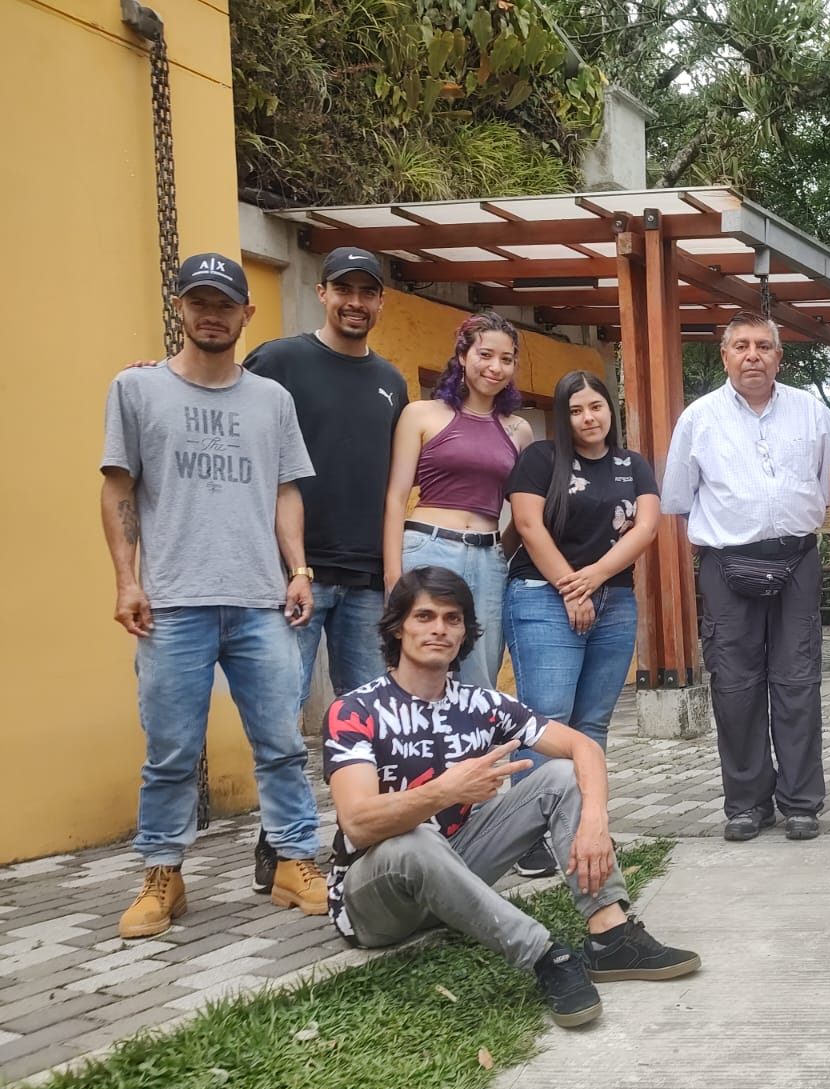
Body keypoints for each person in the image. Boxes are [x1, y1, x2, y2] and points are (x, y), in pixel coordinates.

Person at [323, 567, 701, 1029]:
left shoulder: (481, 705)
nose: (439, 629)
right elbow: (358, 823)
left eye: (452, 618)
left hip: (454, 865)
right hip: (377, 897)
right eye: (424, 616)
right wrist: (447, 790)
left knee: (561, 775)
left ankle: (611, 936)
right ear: (398, 627)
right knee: (413, 842)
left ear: (466, 633)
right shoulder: (356, 710)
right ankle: (545, 956)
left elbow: (582, 747)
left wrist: (596, 821)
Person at [100, 252, 327, 938]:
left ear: (246, 315)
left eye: (225, 304)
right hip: (172, 601)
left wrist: (299, 569)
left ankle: (294, 860)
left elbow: (287, 489)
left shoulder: (272, 400)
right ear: (180, 307)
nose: (211, 314)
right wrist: (127, 580)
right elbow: (118, 488)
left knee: (281, 742)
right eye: (199, 302)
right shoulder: (136, 391)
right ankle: (163, 874)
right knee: (170, 751)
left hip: (260, 599)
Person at [241, 246, 406, 894]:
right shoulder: (279, 360)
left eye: (368, 292)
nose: (356, 303)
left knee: (364, 725)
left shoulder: (392, 380)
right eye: (345, 290)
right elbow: (224, 400)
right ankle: (281, 846)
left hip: (368, 581)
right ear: (322, 291)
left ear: (380, 301)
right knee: (279, 720)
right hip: (292, 576)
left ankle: (354, 840)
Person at [661, 312, 830, 842]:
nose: (753, 355)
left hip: (797, 561)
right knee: (735, 687)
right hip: (726, 564)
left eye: (764, 346)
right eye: (741, 346)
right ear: (725, 356)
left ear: (779, 357)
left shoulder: (812, 412)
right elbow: (677, 497)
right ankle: (746, 804)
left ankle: (802, 801)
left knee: (798, 683)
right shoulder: (698, 418)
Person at [503, 370, 660, 877]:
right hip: (541, 597)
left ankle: (583, 827)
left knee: (591, 724)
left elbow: (646, 527)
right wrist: (573, 586)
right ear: (562, 417)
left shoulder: (631, 465)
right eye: (575, 410)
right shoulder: (540, 459)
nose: (588, 418)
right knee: (545, 719)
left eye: (596, 407)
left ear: (609, 410)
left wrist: (594, 579)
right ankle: (527, 835)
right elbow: (527, 526)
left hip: (614, 598)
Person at [383, 312, 535, 689]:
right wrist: (391, 575)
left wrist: (499, 550)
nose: (495, 367)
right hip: (427, 548)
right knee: (420, 662)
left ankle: (473, 747)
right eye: (485, 355)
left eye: (506, 359)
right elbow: (396, 496)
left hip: (488, 558)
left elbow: (526, 510)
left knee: (479, 671)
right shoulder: (421, 414)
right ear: (463, 355)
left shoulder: (519, 430)